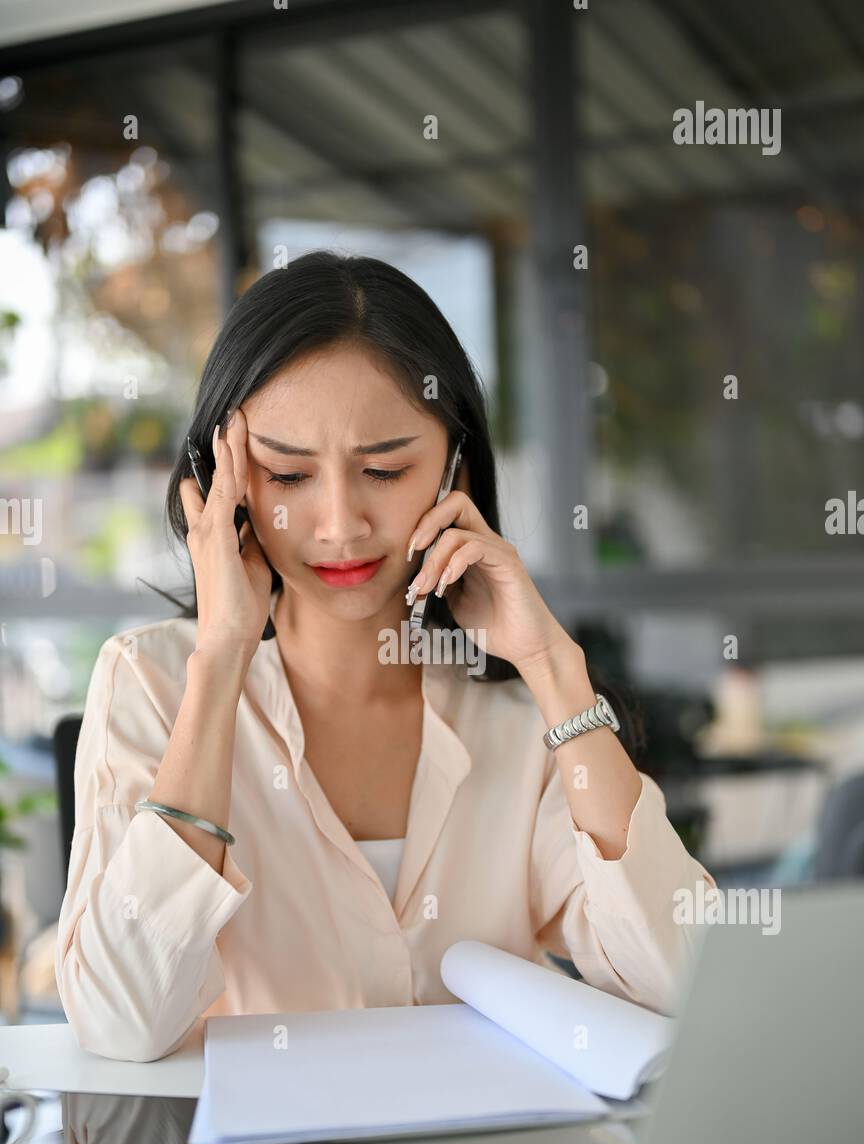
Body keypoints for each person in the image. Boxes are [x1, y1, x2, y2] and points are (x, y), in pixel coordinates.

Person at [55, 251, 715, 1063]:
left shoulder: (514, 716)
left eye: (384, 469)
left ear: (453, 471)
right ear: (220, 483)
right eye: (288, 474)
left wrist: (549, 664)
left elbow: (688, 982)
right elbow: (120, 1023)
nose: (339, 523)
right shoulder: (151, 684)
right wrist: (222, 657)